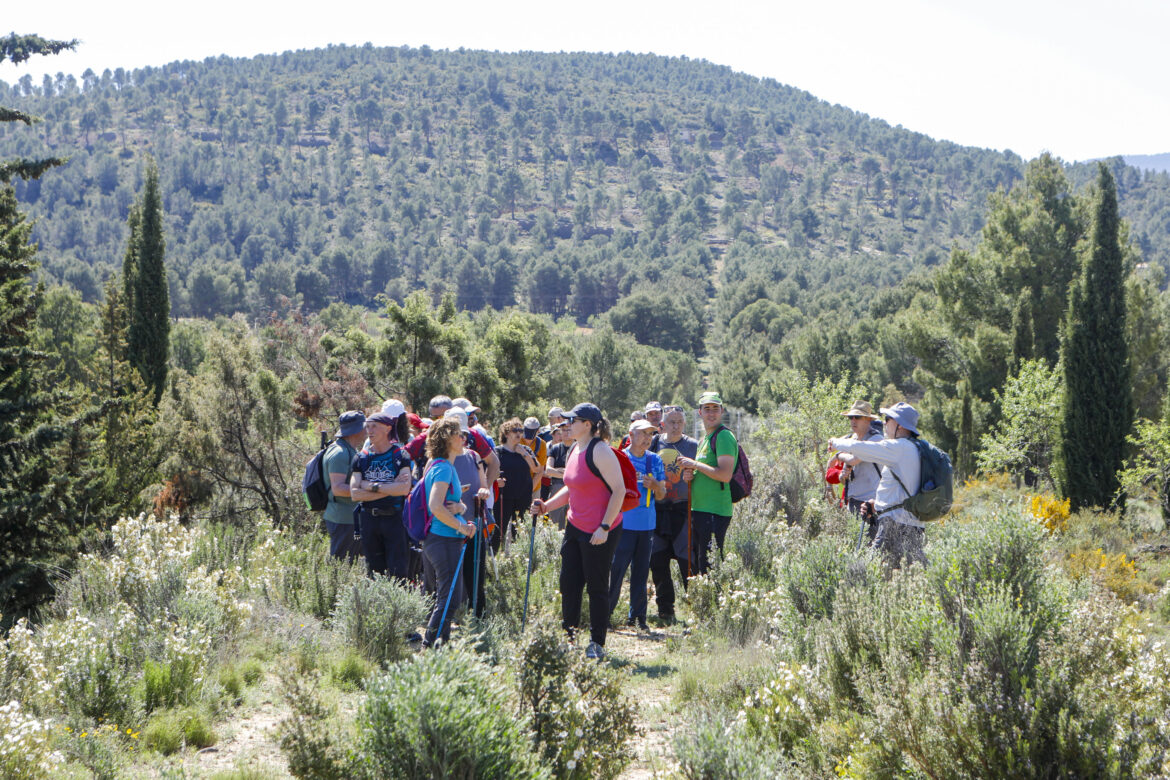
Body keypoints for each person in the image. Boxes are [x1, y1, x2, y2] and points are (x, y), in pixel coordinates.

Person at [531, 403, 624, 661]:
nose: (567, 423)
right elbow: (571, 488)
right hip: (575, 526)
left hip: (601, 529)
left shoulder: (601, 451)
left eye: (573, 419)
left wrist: (604, 527)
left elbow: (619, 490)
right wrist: (547, 506)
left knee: (596, 587)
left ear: (588, 425)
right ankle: (568, 638)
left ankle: (597, 642)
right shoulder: (574, 449)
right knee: (569, 584)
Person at [829, 402, 926, 568]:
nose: (884, 423)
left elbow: (858, 450)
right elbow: (899, 486)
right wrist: (877, 503)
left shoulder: (896, 447)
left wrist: (835, 443)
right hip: (914, 522)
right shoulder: (916, 448)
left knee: (869, 566)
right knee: (910, 567)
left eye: (888, 419)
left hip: (893, 521)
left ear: (900, 425)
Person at [420, 417, 478, 647]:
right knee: (449, 599)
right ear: (447, 438)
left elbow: (451, 504)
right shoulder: (443, 468)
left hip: (444, 540)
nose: (464, 438)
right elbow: (435, 506)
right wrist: (462, 526)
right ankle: (429, 645)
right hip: (443, 540)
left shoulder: (444, 466)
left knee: (449, 597)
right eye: (459, 434)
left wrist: (461, 509)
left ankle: (442, 646)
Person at [608, 419, 665, 631]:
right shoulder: (620, 458)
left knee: (641, 573)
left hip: (647, 526)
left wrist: (656, 485)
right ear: (630, 435)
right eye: (643, 434)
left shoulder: (655, 460)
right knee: (616, 571)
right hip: (623, 524)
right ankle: (606, 614)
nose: (647, 439)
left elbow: (662, 495)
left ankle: (638, 618)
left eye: (650, 435)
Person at [677, 391, 737, 576]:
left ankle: (715, 603)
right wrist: (691, 475)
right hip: (700, 510)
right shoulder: (705, 440)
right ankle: (702, 602)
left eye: (715, 409)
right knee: (700, 563)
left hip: (715, 511)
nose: (711, 413)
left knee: (710, 565)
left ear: (722, 411)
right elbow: (704, 471)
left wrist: (695, 464)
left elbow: (725, 475)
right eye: (707, 409)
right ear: (699, 412)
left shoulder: (724, 437)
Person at [349, 406, 413, 579]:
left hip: (395, 519)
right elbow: (354, 493)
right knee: (374, 573)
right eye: (368, 426)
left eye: (374, 426)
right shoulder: (361, 458)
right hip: (369, 520)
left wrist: (369, 485)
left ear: (388, 428)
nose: (369, 431)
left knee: (398, 572)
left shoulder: (400, 456)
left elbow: (404, 488)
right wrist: (390, 488)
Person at [648, 407, 698, 623]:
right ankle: (665, 609)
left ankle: (696, 606)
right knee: (658, 560)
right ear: (663, 424)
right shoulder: (654, 442)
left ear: (684, 424)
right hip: (657, 509)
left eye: (679, 422)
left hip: (682, 509)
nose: (676, 426)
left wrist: (692, 475)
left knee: (687, 560)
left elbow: (702, 473)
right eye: (671, 422)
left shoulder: (693, 446)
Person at [443, 408, 492, 619]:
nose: (462, 438)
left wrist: (484, 491)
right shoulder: (438, 460)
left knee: (475, 578)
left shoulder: (474, 456)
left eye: (463, 434)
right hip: (446, 528)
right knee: (447, 579)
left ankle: (476, 621)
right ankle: (444, 621)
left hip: (473, 526)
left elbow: (483, 486)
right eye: (457, 433)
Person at [830, 402, 884, 531]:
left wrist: (839, 456)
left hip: (870, 504)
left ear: (868, 420)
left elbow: (854, 460)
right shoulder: (852, 440)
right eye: (851, 417)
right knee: (854, 545)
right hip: (853, 502)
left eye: (857, 417)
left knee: (870, 545)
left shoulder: (876, 440)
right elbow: (845, 477)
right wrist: (843, 476)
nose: (853, 420)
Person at [323, 411, 366, 561]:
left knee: (348, 564)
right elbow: (338, 488)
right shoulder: (340, 454)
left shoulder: (348, 450)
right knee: (340, 565)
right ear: (358, 430)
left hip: (348, 518)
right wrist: (367, 492)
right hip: (342, 519)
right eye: (365, 426)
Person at [495, 417, 542, 552]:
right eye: (515, 430)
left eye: (520, 430)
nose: (519, 433)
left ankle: (519, 560)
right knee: (499, 530)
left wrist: (525, 455)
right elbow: (490, 472)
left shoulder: (526, 450)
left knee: (520, 531)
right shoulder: (498, 451)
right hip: (504, 497)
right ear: (506, 433)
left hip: (523, 497)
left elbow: (537, 469)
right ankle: (492, 562)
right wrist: (495, 482)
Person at [544, 421, 570, 528]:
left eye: (568, 430)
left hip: (574, 489)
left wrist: (558, 471)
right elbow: (548, 470)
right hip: (556, 487)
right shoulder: (555, 448)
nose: (565, 433)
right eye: (562, 430)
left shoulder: (578, 448)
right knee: (554, 523)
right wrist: (567, 473)